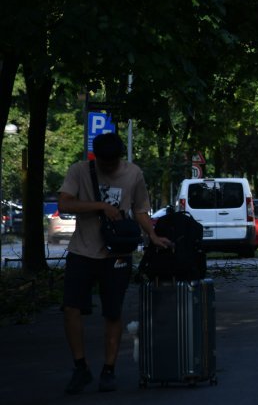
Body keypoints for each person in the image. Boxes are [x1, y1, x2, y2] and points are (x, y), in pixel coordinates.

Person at [58, 132, 171, 394]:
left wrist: (152, 235)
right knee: (71, 309)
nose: (108, 167)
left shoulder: (134, 174)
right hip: (82, 251)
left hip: (117, 254)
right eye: (103, 162)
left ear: (119, 156)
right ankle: (80, 367)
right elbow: (64, 202)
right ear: (95, 156)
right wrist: (100, 206)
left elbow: (141, 209)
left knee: (112, 312)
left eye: (112, 162)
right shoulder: (79, 171)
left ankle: (109, 370)